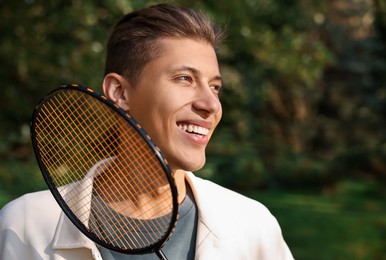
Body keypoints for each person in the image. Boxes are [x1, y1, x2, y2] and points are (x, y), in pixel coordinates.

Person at [0, 3, 294, 260]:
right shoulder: (25, 226)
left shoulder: (254, 227)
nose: (211, 104)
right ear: (120, 93)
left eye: (215, 87)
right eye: (184, 78)